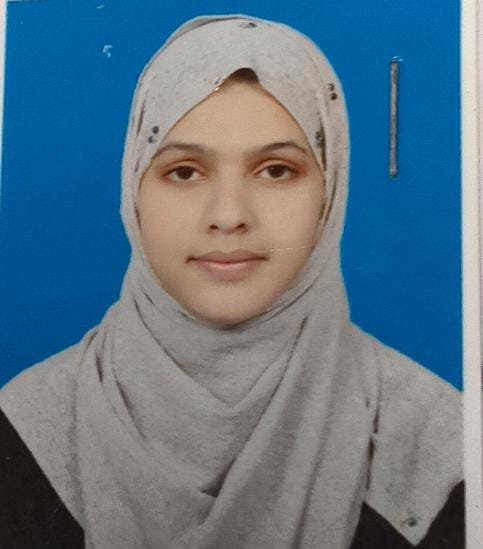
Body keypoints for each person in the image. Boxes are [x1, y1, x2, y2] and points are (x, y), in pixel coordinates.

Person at [0, 14, 463, 548]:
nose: (228, 216)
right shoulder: (24, 429)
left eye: (276, 170)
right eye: (184, 171)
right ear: (134, 191)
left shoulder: (437, 449)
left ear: (330, 193)